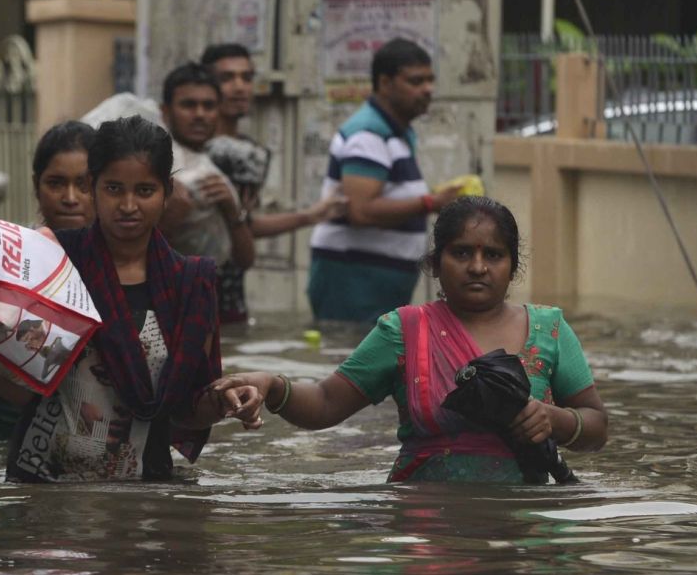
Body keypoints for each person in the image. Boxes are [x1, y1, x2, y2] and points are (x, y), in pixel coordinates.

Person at [0, 116, 260, 480]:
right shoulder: (51, 260)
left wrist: (225, 402)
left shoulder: (191, 283)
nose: (128, 205)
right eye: (113, 189)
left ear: (167, 191)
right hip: (42, 489)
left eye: (144, 190)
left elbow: (185, 409)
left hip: (145, 495)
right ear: (94, 187)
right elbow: (24, 392)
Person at [211, 196, 607, 483]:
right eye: (462, 253)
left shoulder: (549, 330)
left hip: (524, 536)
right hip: (423, 531)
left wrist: (553, 419)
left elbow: (597, 427)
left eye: (494, 255)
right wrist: (271, 384)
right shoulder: (403, 330)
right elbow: (327, 403)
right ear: (436, 264)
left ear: (513, 265)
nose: (478, 267)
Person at [307, 38, 461, 323]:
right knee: (347, 360)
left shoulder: (396, 132)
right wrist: (431, 202)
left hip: (372, 279)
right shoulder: (368, 134)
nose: (427, 89)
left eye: (430, 80)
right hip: (354, 278)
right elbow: (361, 211)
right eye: (416, 81)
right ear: (385, 83)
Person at [200, 43, 347, 324]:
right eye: (227, 78)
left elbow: (244, 225)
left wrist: (311, 215)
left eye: (246, 77)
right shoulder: (189, 152)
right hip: (186, 292)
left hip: (230, 295)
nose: (240, 87)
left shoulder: (250, 154)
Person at [0, 120, 96, 441]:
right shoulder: (4, 255)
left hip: (87, 436)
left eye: (84, 184)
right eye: (56, 183)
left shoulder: (124, 264)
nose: (70, 197)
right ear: (36, 184)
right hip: (3, 428)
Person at [158, 62, 255, 275]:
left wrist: (233, 211)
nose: (200, 114)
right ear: (165, 111)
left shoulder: (223, 167)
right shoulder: (150, 162)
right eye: (188, 105)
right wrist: (166, 221)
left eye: (208, 106)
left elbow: (246, 260)